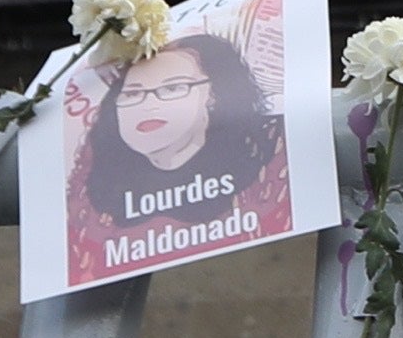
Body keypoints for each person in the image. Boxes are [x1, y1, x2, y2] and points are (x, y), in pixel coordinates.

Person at [75, 24, 294, 281]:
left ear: (212, 95)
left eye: (172, 88)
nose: (149, 104)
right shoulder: (91, 174)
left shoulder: (268, 152)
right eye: (133, 93)